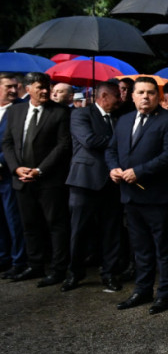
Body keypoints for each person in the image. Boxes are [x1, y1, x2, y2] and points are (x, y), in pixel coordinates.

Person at [106, 77, 168, 314]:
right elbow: (110, 149)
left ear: (157, 96)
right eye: (140, 92)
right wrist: (113, 168)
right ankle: (142, 290)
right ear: (131, 95)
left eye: (150, 93)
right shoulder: (124, 120)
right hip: (130, 196)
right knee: (140, 249)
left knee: (164, 249)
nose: (145, 97)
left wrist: (139, 171)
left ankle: (165, 294)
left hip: (159, 197)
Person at [1, 72, 72, 286]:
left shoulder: (60, 112)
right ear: (28, 88)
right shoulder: (16, 110)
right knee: (29, 224)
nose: (45, 91)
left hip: (49, 180)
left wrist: (40, 170)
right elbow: (8, 143)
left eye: (47, 87)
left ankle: (59, 269)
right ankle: (35, 265)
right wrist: (16, 169)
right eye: (40, 87)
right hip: (21, 180)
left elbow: (63, 145)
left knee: (56, 225)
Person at [62, 81, 123, 292]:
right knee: (79, 230)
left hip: (112, 183)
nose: (120, 100)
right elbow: (89, 140)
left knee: (112, 232)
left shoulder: (118, 118)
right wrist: (120, 141)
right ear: (104, 96)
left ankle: (110, 273)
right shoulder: (81, 114)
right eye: (117, 96)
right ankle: (75, 273)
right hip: (84, 181)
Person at [0, 74, 25, 278]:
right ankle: (3, 258)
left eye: (16, 87)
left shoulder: (19, 110)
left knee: (14, 220)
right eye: (9, 86)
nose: (14, 90)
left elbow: (17, 144)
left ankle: (19, 260)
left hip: (9, 174)